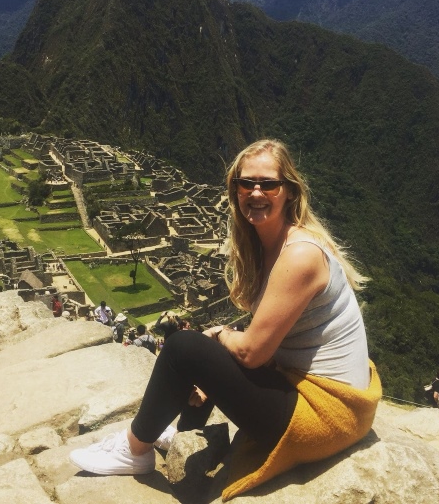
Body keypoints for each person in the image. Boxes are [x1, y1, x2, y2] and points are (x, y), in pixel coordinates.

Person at [69, 139, 381, 499]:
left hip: (326, 415)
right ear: (235, 190)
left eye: (268, 183)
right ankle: (176, 438)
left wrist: (220, 338)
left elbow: (252, 354)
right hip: (320, 400)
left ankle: (134, 450)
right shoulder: (274, 247)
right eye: (246, 183)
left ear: (289, 191)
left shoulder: (299, 256)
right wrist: (217, 363)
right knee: (211, 357)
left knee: (184, 347)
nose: (256, 192)